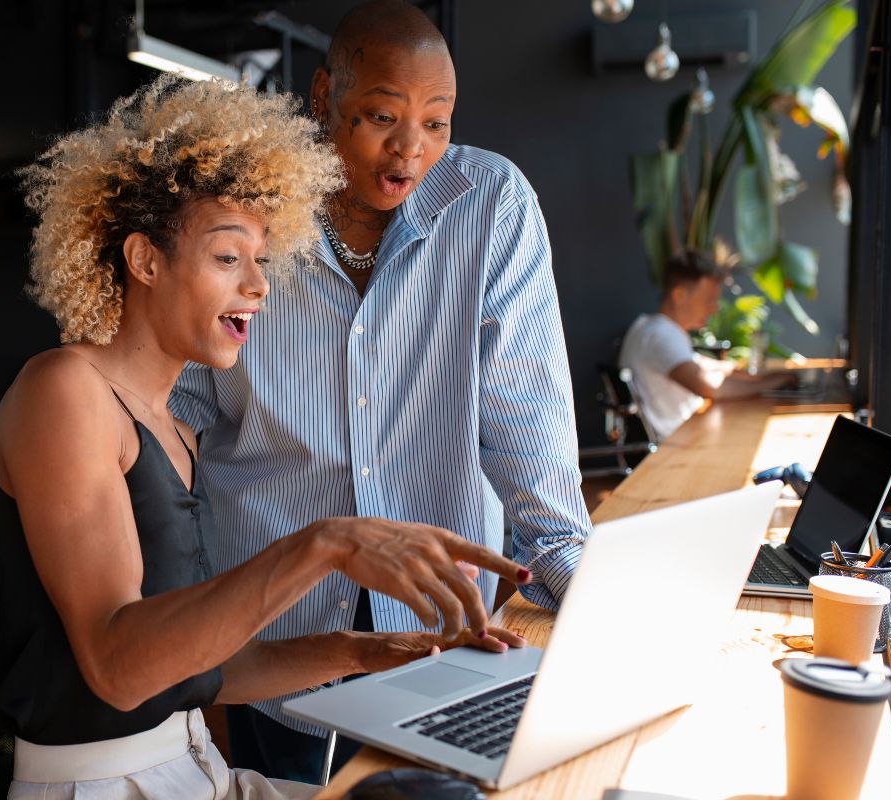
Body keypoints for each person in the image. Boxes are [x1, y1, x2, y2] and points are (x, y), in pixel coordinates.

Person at [0, 75, 532, 800]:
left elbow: (197, 668)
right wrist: (326, 544)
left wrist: (369, 653)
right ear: (145, 260)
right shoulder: (65, 390)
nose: (259, 286)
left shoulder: (171, 427)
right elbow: (118, 670)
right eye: (227, 258)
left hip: (196, 774)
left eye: (262, 260)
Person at [170, 0, 591, 782]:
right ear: (324, 94)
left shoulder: (491, 204)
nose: (411, 148)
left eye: (437, 122)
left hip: (442, 632)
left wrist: (583, 582)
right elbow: (176, 408)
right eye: (382, 117)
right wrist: (86, 500)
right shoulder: (241, 212)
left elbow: (523, 411)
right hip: (275, 629)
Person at [619, 249, 797, 441]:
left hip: (685, 435)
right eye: (709, 300)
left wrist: (756, 376)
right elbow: (711, 388)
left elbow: (703, 365)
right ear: (679, 295)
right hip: (679, 444)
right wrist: (773, 383)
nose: (715, 309)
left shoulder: (650, 327)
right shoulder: (661, 335)